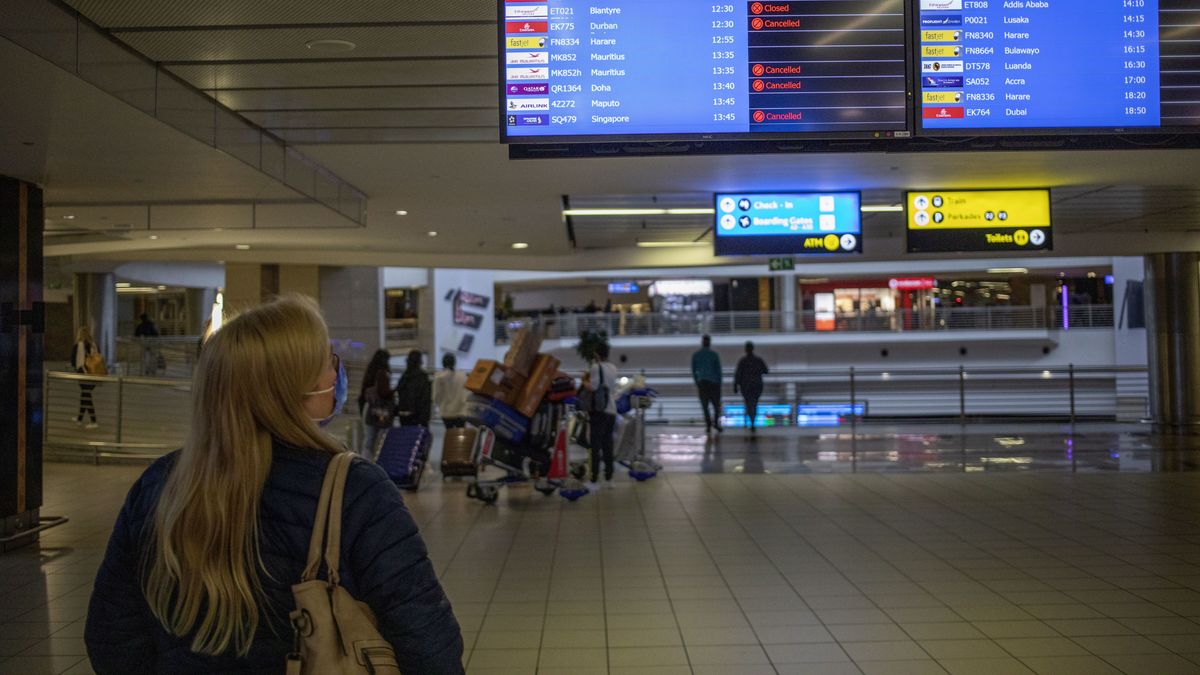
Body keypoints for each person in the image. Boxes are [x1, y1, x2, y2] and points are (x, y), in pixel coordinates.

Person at [84, 295, 463, 674]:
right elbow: (426, 641)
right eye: (326, 362)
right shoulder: (355, 488)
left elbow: (112, 635)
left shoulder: (160, 485)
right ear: (291, 388)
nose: (336, 373)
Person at [585, 341, 618, 488]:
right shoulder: (613, 368)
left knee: (595, 445)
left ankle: (594, 479)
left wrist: (583, 381)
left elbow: (593, 387)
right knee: (608, 445)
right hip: (611, 409)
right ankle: (609, 478)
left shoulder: (595, 367)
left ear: (596, 354)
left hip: (599, 411)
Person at [357, 348, 393, 457]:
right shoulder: (383, 373)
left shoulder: (370, 371)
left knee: (368, 441)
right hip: (381, 410)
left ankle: (366, 463)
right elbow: (384, 392)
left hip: (368, 408)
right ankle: (379, 464)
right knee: (381, 440)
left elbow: (363, 394)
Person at [734, 341, 770, 436]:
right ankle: (753, 422)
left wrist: (736, 385)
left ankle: (748, 422)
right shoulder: (758, 360)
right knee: (754, 403)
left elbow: (738, 374)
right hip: (757, 385)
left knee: (747, 403)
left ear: (746, 349)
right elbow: (766, 371)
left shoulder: (742, 361)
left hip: (745, 385)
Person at [691, 334, 723, 435]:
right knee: (716, 405)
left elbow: (693, 370)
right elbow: (718, 371)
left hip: (702, 383)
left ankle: (708, 425)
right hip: (714, 384)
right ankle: (716, 424)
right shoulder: (714, 355)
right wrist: (719, 383)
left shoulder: (696, 355)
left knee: (705, 406)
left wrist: (697, 381)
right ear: (709, 342)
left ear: (702, 342)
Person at [394, 349, 432, 428]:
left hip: (403, 412)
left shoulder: (405, 376)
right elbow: (425, 398)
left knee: (406, 435)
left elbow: (398, 390)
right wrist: (425, 418)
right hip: (417, 414)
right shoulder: (422, 376)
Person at [71, 326, 100, 429]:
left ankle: (94, 421)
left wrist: (78, 370)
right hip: (94, 374)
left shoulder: (79, 345)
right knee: (85, 396)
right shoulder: (94, 344)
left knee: (86, 397)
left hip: (84, 374)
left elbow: (77, 362)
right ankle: (79, 419)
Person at [432, 353, 469, 429]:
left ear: (443, 363)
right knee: (461, 435)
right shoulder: (463, 375)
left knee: (449, 435)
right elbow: (466, 394)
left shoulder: (439, 377)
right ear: (454, 362)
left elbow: (436, 397)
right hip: (461, 412)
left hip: (446, 412)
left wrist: (439, 403)